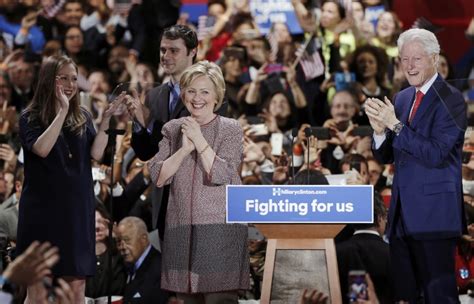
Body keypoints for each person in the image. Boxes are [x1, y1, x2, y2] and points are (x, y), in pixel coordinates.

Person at [365, 28, 467, 303]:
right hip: (401, 216)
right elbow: (388, 156)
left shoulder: (452, 99)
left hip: (435, 215)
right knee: (406, 296)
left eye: (416, 59)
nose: (409, 66)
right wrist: (378, 132)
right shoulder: (402, 98)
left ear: (434, 58)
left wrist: (394, 125)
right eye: (404, 59)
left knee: (438, 296)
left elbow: (435, 153)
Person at [15, 55, 122, 304]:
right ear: (48, 80)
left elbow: (95, 154)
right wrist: (62, 111)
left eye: (74, 78)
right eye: (63, 77)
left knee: (76, 287)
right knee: (39, 289)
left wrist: (105, 120)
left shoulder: (82, 116)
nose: (70, 84)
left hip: (76, 211)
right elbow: (42, 149)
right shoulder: (30, 117)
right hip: (42, 213)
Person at [148, 61, 249, 303]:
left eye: (205, 91)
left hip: (219, 236)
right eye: (191, 90)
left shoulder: (230, 129)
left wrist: (198, 140)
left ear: (216, 96)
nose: (197, 98)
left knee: (219, 299)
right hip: (181, 235)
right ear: (183, 94)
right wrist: (183, 150)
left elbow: (223, 174)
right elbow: (158, 176)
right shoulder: (172, 129)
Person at [127, 24, 197, 241]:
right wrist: (139, 124)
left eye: (173, 50)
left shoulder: (208, 93)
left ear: (192, 52)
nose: (165, 56)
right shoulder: (154, 95)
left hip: (196, 203)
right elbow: (146, 153)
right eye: (163, 50)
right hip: (163, 204)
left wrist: (150, 123)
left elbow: (189, 144)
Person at [115, 216, 168, 304]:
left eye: (127, 240)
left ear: (144, 239)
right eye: (118, 241)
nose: (122, 247)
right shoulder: (126, 265)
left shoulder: (159, 269)